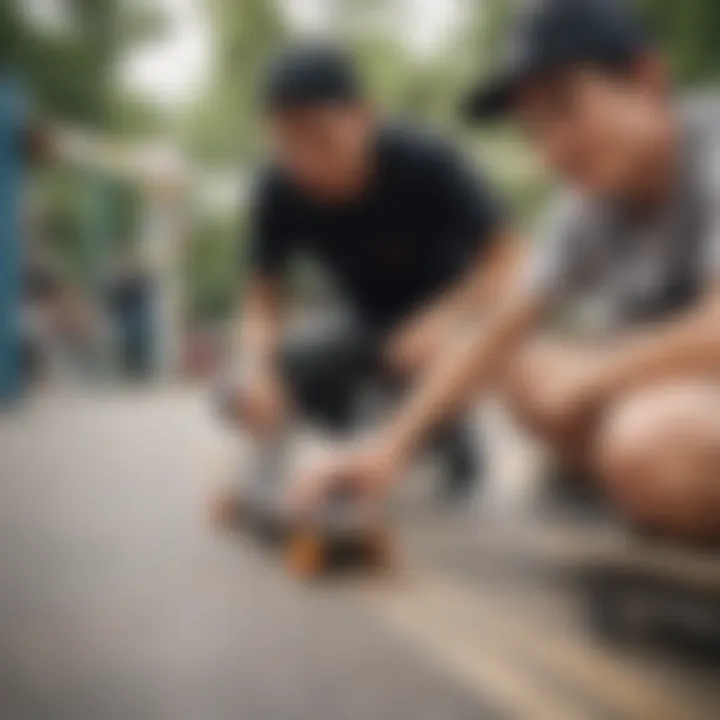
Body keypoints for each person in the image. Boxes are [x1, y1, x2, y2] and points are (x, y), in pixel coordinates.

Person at [292, 0, 720, 543]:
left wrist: (596, 372)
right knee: (518, 366)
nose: (553, 151)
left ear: (647, 80)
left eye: (566, 109)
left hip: (682, 400)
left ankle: (646, 476)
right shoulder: (590, 203)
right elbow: (500, 326)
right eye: (535, 129)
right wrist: (386, 450)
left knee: (645, 444)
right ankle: (642, 483)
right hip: (684, 395)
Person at [212, 44, 518, 519]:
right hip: (365, 323)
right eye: (287, 142)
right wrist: (259, 371)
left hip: (447, 320)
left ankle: (444, 430)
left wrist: (449, 317)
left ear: (365, 117)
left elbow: (511, 262)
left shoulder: (426, 159)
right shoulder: (277, 186)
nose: (307, 161)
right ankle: (349, 436)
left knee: (428, 353)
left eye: (320, 138)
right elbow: (261, 300)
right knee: (235, 386)